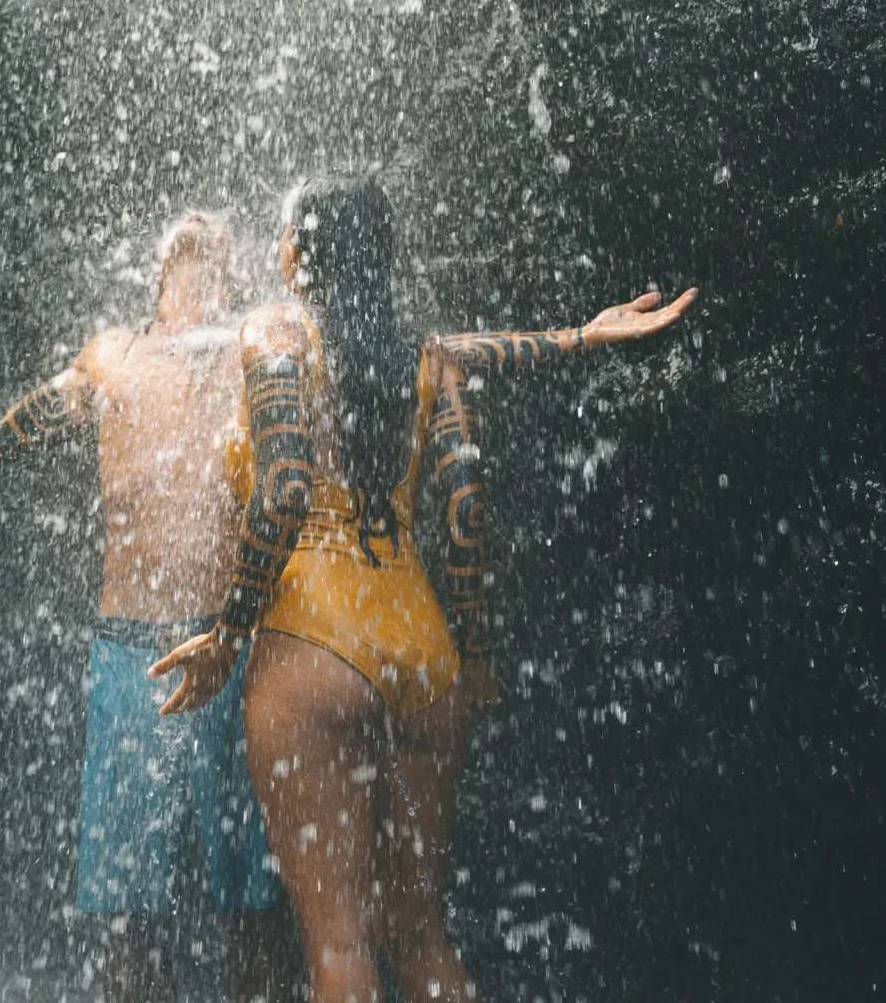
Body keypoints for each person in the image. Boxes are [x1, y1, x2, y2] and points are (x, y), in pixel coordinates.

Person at [0, 206, 691, 1003]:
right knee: (129, 906)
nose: (205, 276)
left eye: (222, 262)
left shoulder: (254, 351)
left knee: (266, 909)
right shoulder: (110, 359)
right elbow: (18, 426)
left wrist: (576, 336)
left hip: (241, 645)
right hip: (133, 651)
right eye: (189, 259)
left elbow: (422, 351)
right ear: (162, 275)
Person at [148, 176, 694, 1002]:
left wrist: (228, 634)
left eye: (286, 232)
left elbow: (287, 483)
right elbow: (469, 513)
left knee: (339, 949)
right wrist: (473, 658)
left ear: (303, 250)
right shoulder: (427, 358)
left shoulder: (275, 334)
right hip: (424, 652)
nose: (276, 246)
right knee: (421, 937)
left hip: (312, 648)